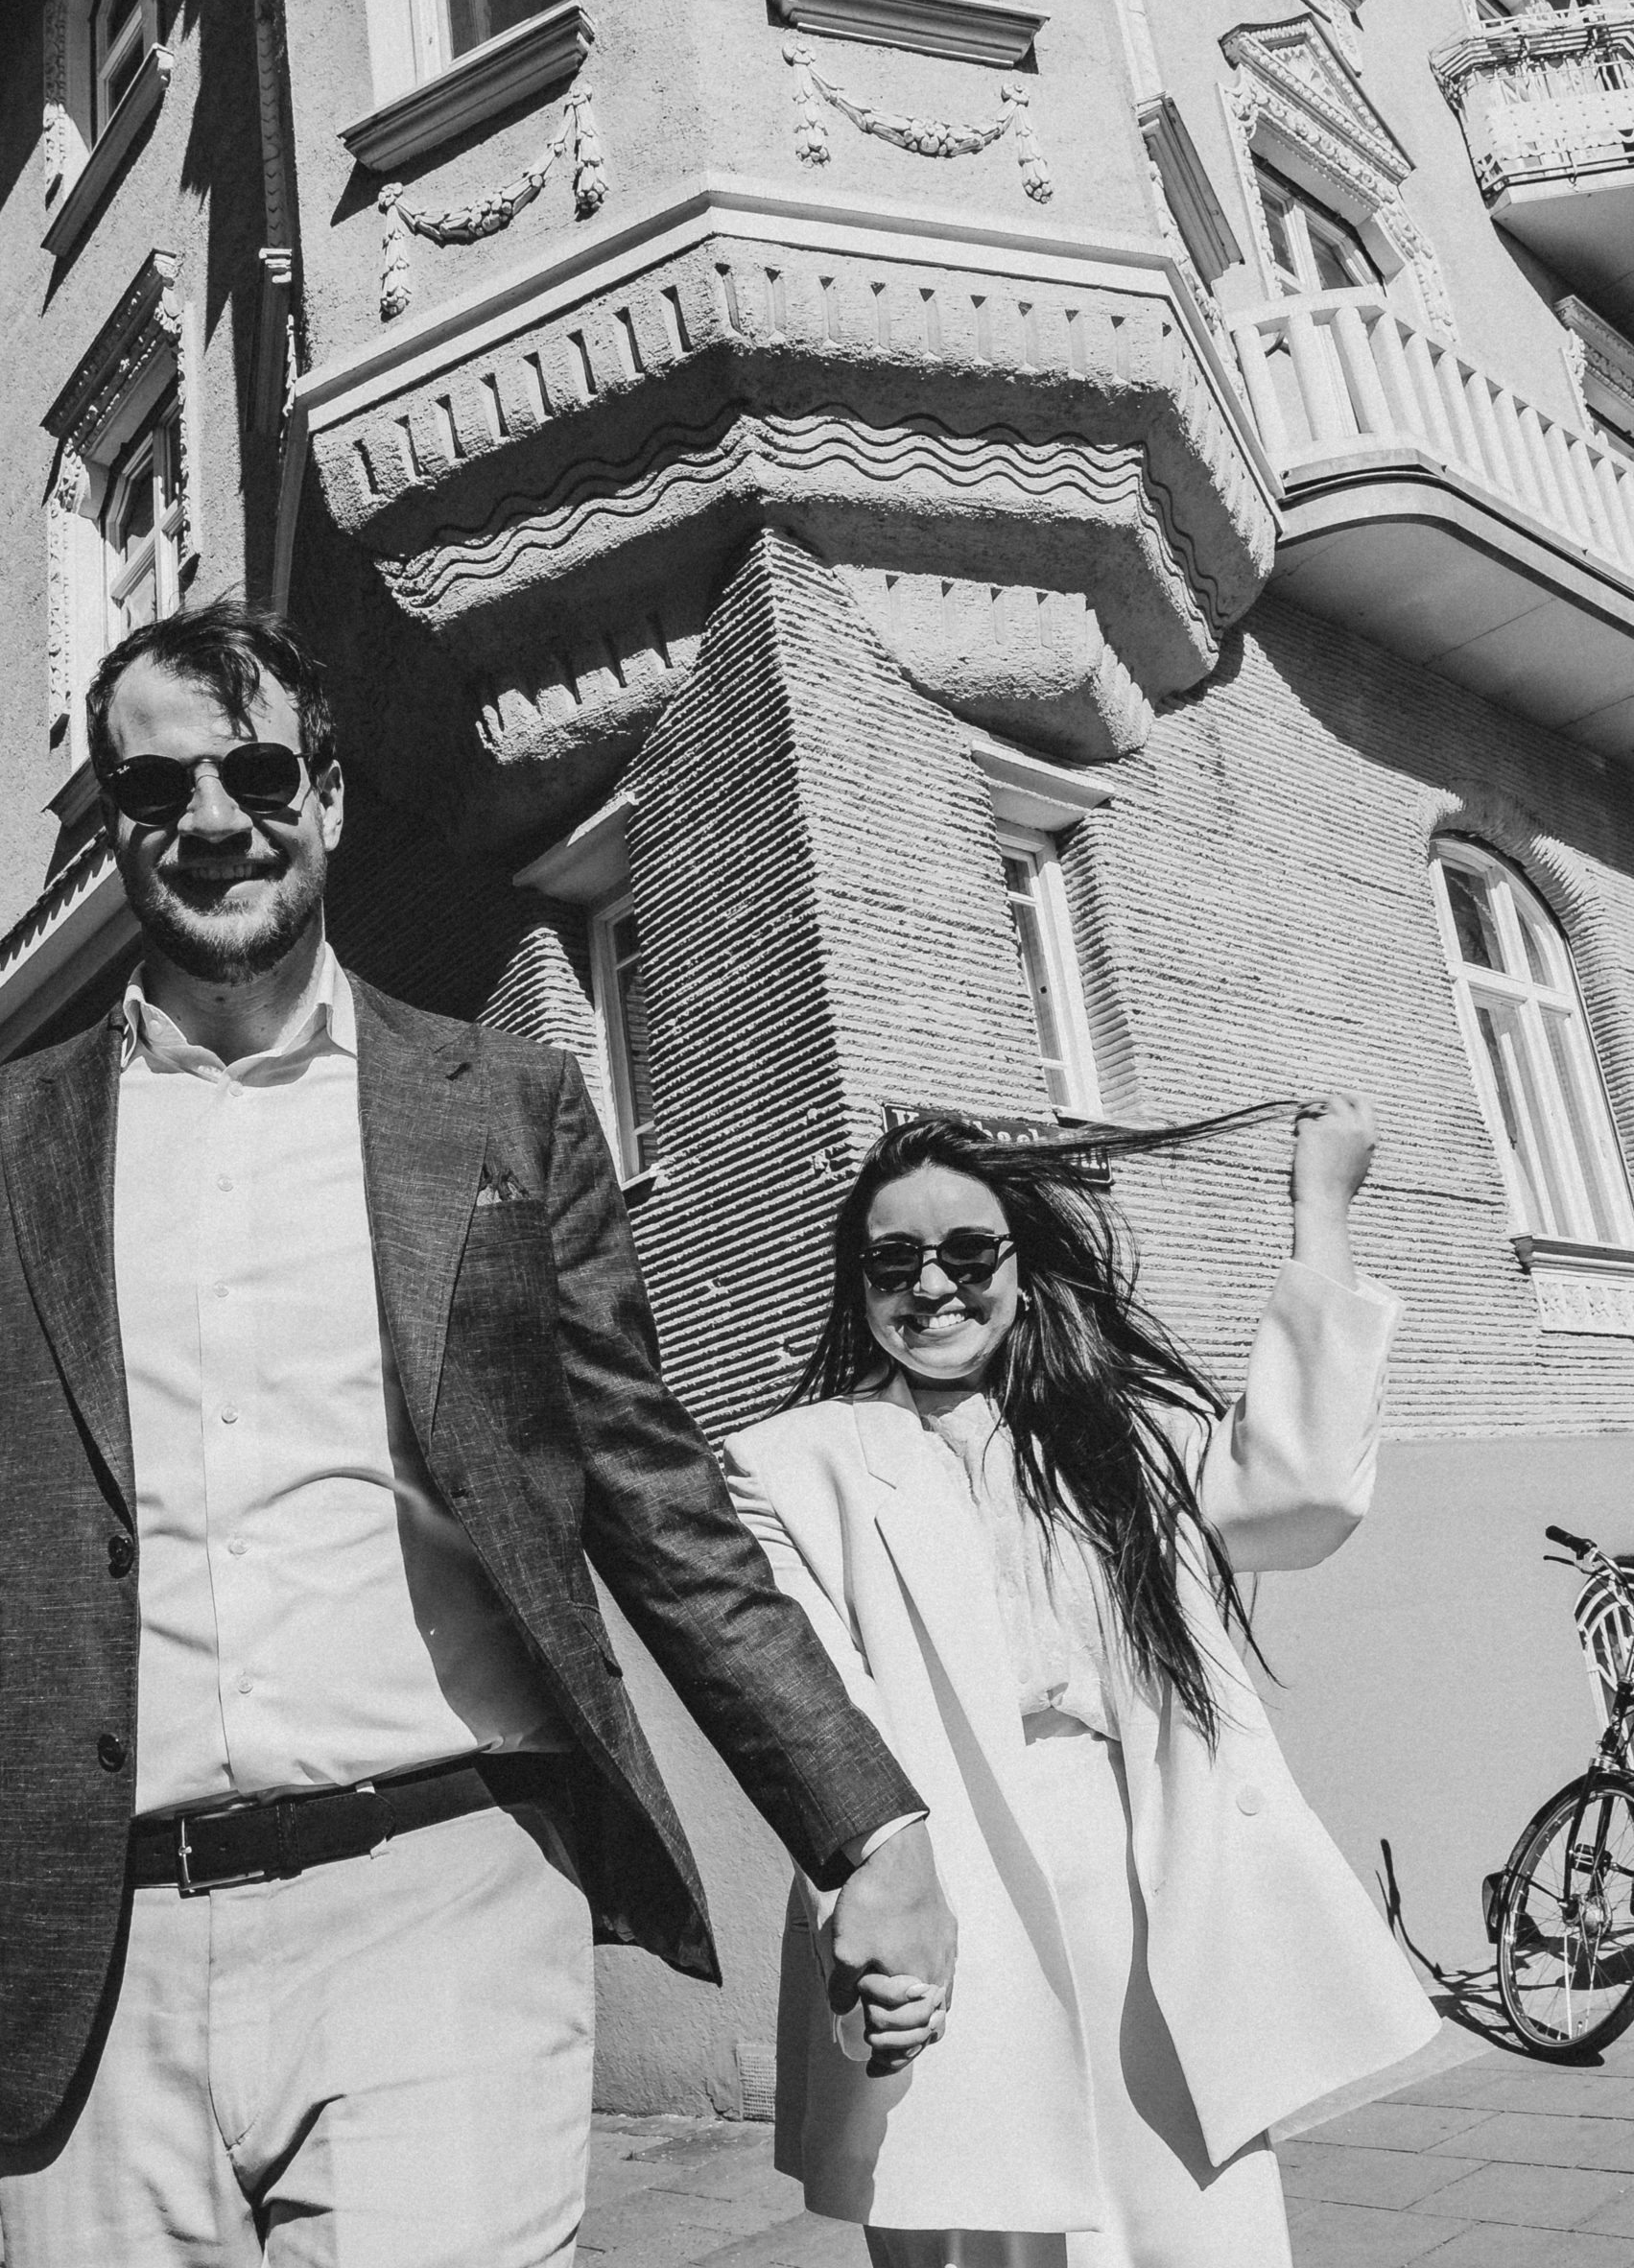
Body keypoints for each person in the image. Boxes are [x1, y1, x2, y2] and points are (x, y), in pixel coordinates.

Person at [0, 601, 956, 2268]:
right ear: (115, 822)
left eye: (258, 774)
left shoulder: (505, 1108)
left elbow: (649, 1488)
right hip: (87, 1947)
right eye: (157, 788)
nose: (213, 820)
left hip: (438, 1899)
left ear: (328, 797)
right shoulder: (17, 1141)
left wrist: (863, 1824)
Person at [723, 1104, 1440, 2267]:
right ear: (858, 1282)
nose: (933, 1286)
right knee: (984, 2226)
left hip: (1150, 1887)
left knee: (1192, 2229)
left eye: (968, 1253)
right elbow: (820, 1717)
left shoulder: (1120, 1434)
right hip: (944, 1878)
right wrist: (869, 1902)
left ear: (1019, 1267)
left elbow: (1302, 1491)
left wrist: (1320, 1205)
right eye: (893, 1261)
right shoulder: (789, 1467)